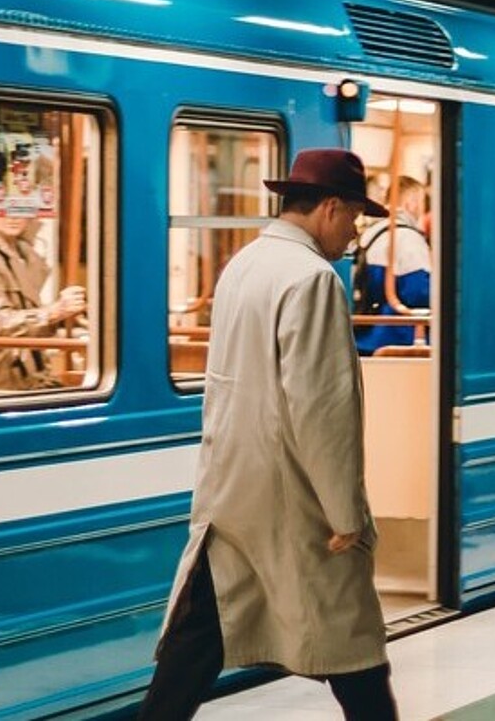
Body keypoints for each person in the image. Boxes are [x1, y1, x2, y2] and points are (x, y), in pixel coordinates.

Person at [139, 149, 398, 720]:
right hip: (295, 500)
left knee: (197, 640)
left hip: (232, 488)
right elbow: (320, 406)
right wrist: (345, 511)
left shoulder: (245, 264)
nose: (353, 235)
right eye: (354, 217)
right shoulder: (312, 279)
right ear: (330, 207)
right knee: (355, 650)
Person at [0, 215, 87, 391]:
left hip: (30, 376)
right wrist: (53, 312)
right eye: (3, 208)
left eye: (21, 207)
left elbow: (29, 317)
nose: (13, 216)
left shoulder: (23, 250)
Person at [353, 175, 432, 355]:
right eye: (421, 202)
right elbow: (418, 292)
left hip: (367, 334)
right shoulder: (408, 237)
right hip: (398, 339)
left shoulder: (371, 234)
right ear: (410, 202)